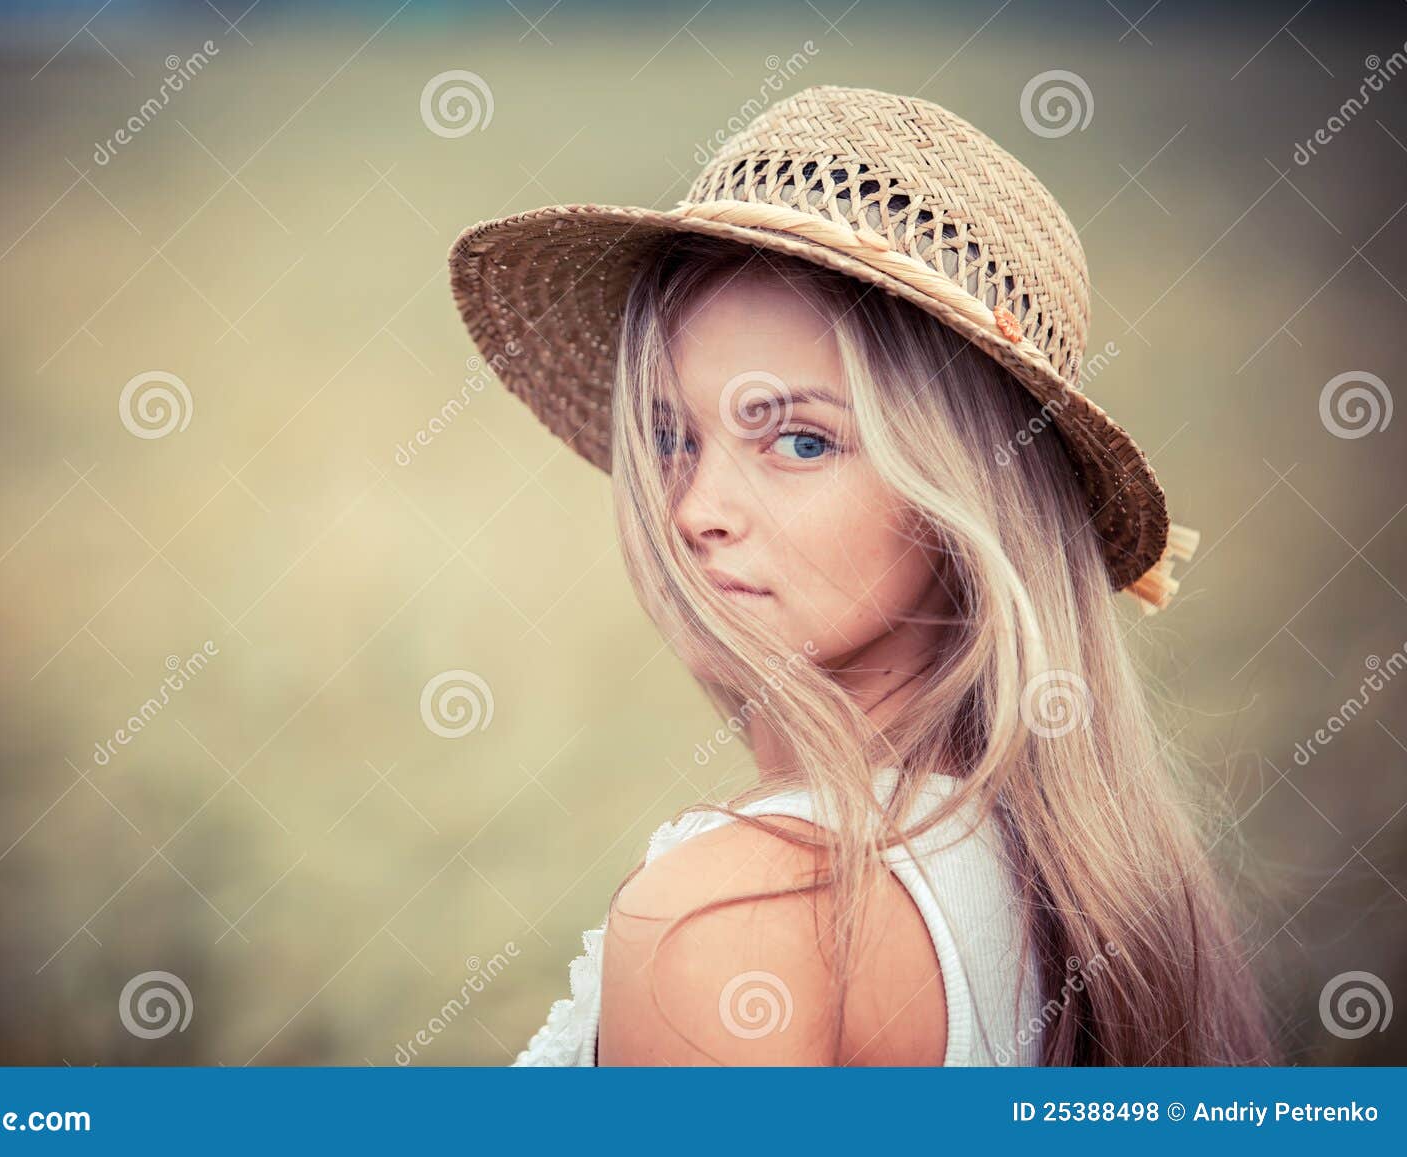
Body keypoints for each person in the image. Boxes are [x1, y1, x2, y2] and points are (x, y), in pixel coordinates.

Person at [447, 85, 1274, 1066]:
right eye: (672, 436)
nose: (692, 509)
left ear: (961, 498)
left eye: (799, 438)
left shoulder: (728, 916)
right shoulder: (1073, 877)